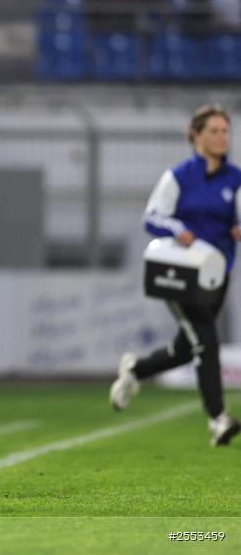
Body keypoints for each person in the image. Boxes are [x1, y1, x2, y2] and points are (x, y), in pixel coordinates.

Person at [110, 104, 240, 447]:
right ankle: (218, 419)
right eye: (214, 130)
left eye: (225, 131)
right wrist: (178, 229)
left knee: (187, 349)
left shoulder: (235, 178)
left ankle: (135, 369)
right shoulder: (179, 176)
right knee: (207, 341)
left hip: (217, 273)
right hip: (180, 273)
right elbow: (152, 217)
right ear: (196, 135)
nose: (222, 137)